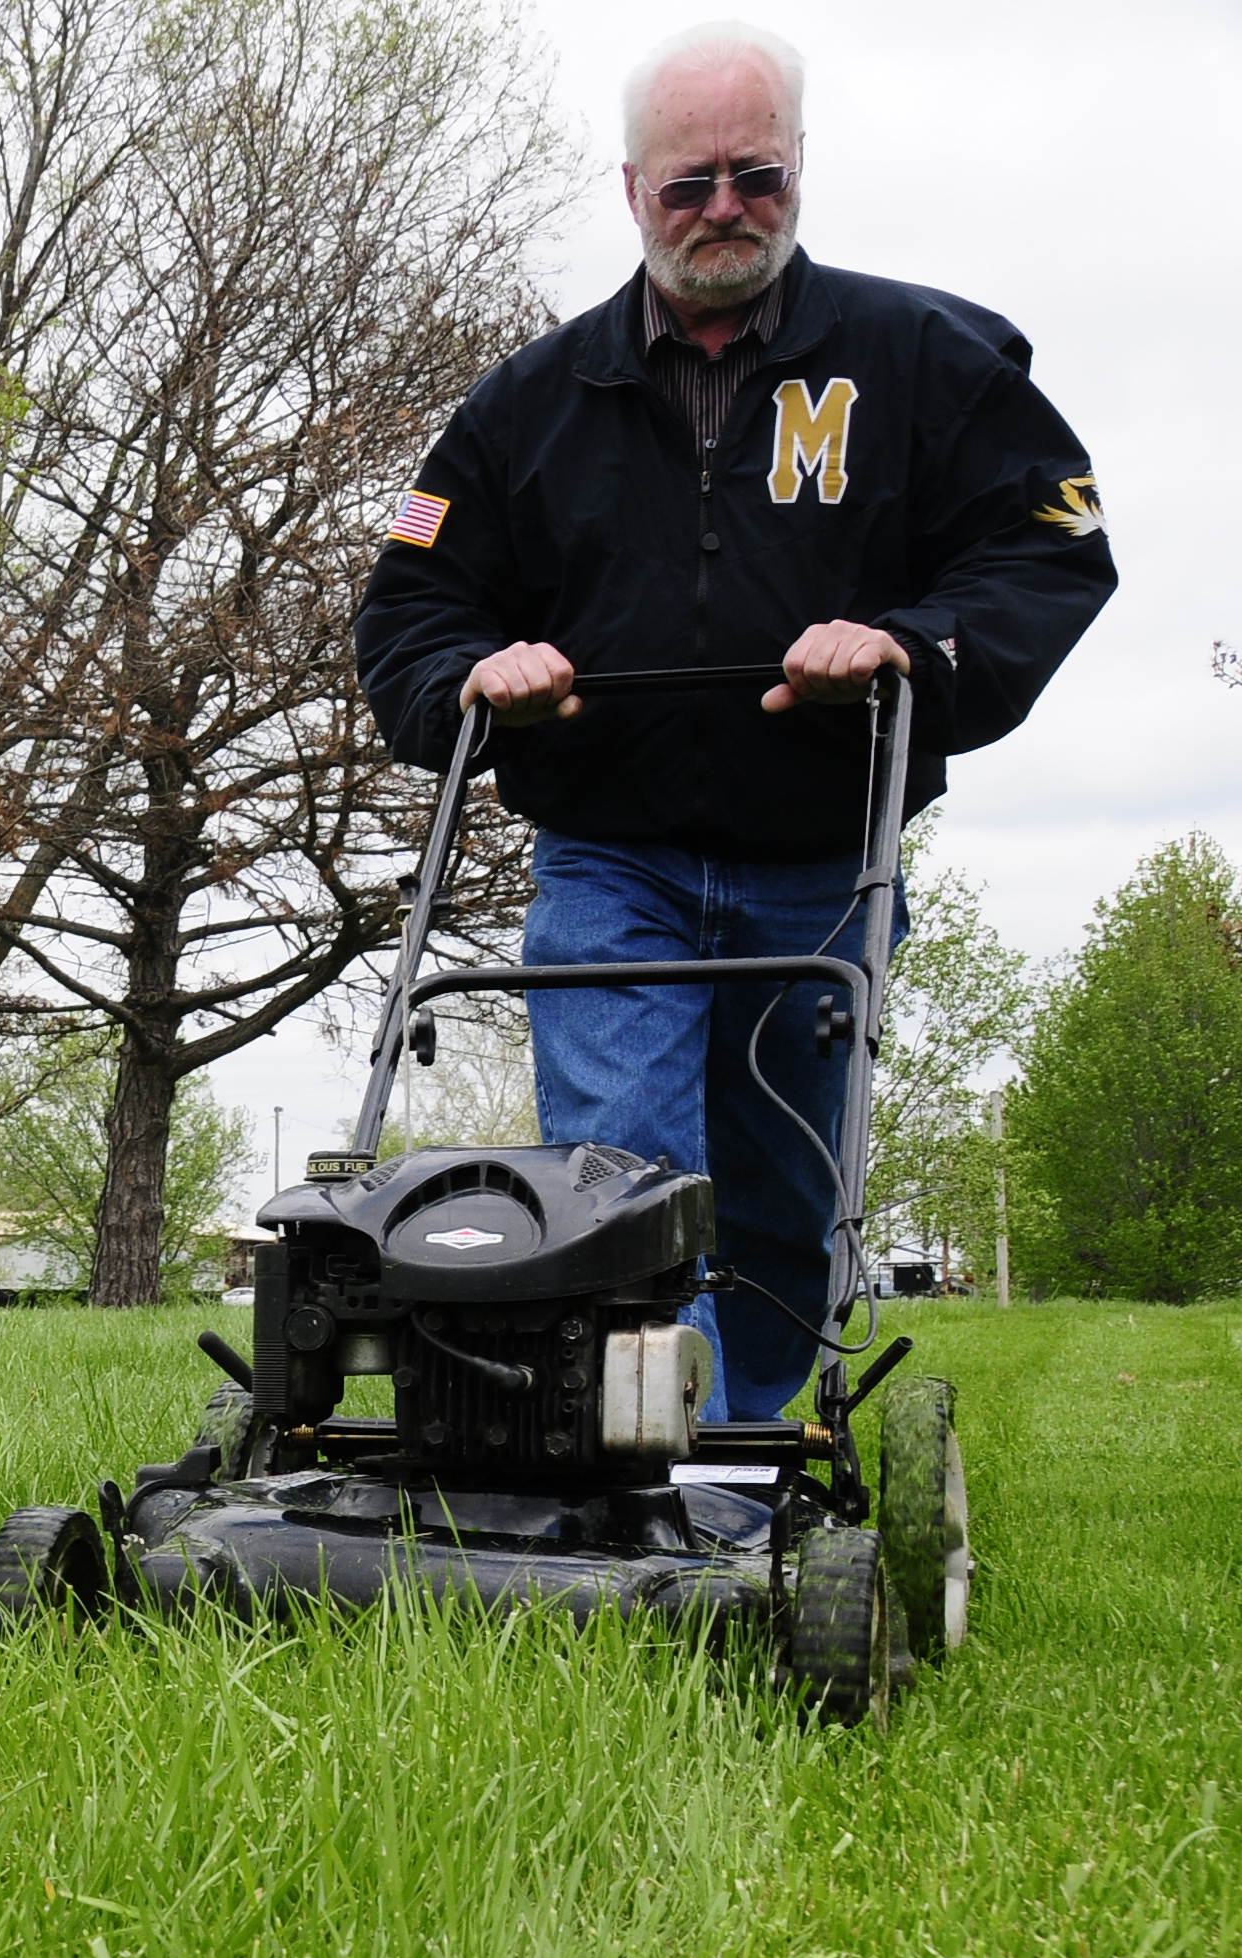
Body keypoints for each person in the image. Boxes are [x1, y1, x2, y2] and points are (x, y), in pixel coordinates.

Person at [353, 19, 1114, 1420]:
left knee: (779, 1184)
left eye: (754, 177)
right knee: (618, 1182)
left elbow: (1050, 552)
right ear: (631, 189)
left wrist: (909, 643)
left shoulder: (931, 361)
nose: (724, 210)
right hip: (608, 856)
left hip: (822, 856)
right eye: (689, 183)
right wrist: (476, 675)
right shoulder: (523, 407)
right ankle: (650, 1474)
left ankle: (757, 1465)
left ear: (801, 170)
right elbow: (410, 602)